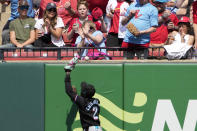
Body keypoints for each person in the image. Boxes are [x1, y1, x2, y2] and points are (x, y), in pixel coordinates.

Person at [64, 57, 102, 131]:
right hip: (98, 128)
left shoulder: (82, 101)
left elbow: (68, 91)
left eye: (83, 89)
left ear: (84, 93)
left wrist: (68, 73)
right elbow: (85, 103)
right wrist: (76, 95)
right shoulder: (97, 101)